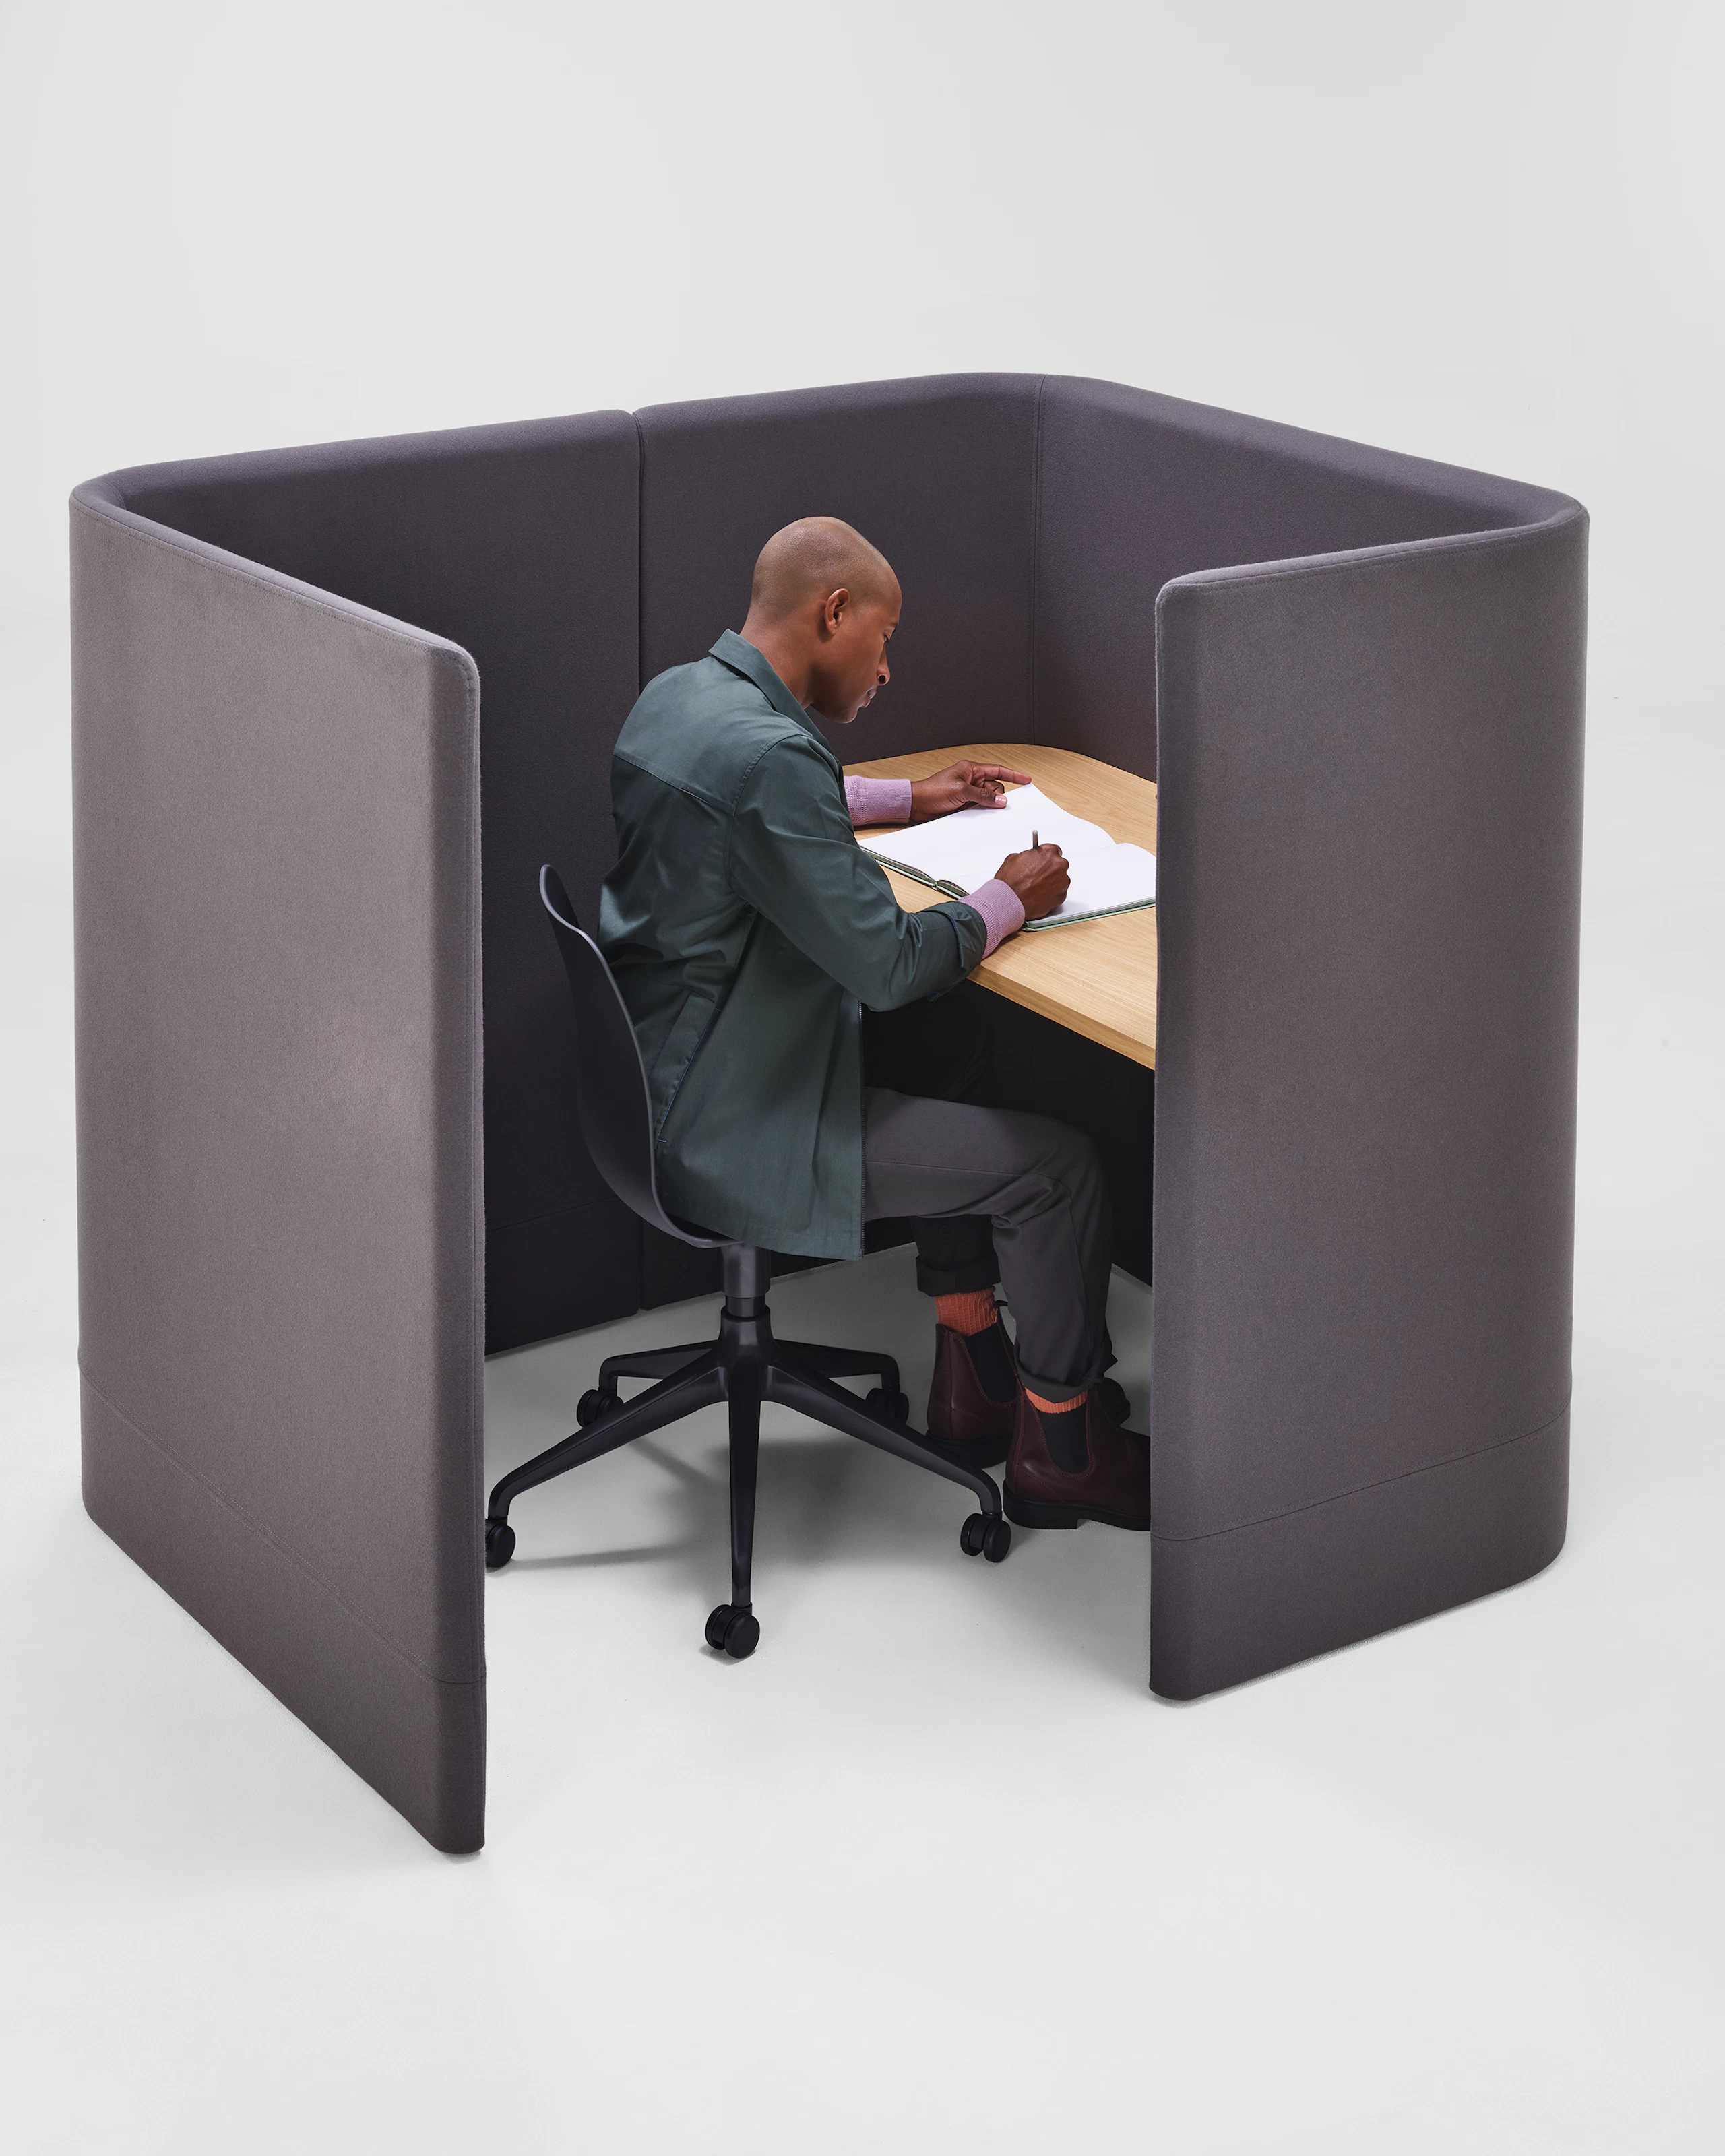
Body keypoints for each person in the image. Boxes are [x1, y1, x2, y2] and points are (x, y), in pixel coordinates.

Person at [598, 517, 1149, 1531]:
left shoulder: (679, 698)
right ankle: (1064, 1449)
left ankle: (973, 1372)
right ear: (834, 612)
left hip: (662, 1079)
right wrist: (1007, 899)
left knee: (957, 1041)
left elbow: (755, 802)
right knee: (1057, 1169)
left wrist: (906, 797)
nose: (888, 667)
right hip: (735, 1126)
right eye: (883, 638)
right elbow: (889, 965)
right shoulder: (769, 760)